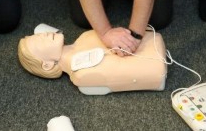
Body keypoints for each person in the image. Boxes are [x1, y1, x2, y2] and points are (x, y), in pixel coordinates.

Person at [18, 30, 167, 94]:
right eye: (39, 41)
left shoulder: (84, 37)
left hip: (152, 45)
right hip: (156, 69)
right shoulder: (82, 75)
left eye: (38, 35)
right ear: (47, 65)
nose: (43, 34)